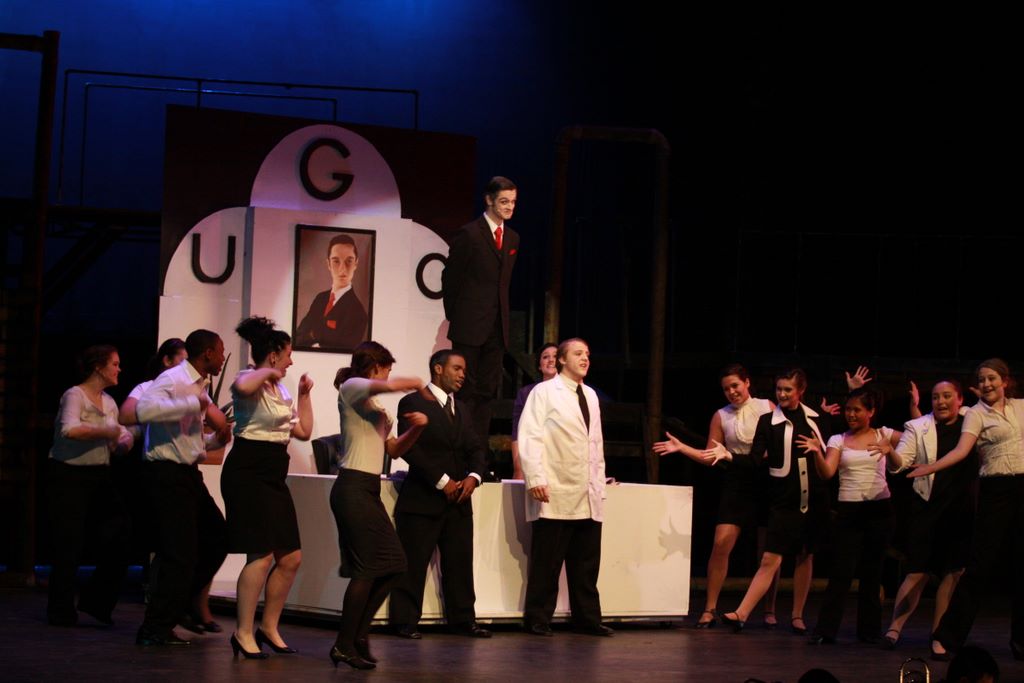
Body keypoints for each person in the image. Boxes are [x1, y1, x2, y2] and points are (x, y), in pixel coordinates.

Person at [910, 358, 1024, 662]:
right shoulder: (975, 414)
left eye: (992, 378)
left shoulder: (1021, 407)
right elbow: (961, 451)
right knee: (979, 567)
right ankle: (945, 637)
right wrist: (931, 467)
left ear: (1005, 381)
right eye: (982, 379)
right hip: (996, 490)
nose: (986, 384)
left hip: (1023, 488)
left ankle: (1021, 640)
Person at [653, 364, 779, 629]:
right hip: (737, 480)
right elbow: (709, 456)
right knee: (721, 542)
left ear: (747, 382)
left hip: (768, 478)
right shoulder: (721, 416)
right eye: (726, 389)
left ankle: (769, 608)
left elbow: (780, 444)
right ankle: (710, 608)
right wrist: (682, 447)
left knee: (768, 549)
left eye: (735, 385)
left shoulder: (766, 406)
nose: (731, 392)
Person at [329, 342, 428, 670]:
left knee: (395, 564)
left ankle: (357, 636)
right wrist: (415, 382)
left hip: (367, 489)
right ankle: (345, 643)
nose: (388, 375)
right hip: (352, 487)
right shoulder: (352, 387)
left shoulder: (374, 406)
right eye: (386, 369)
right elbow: (387, 385)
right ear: (376, 367)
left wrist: (418, 428)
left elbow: (394, 449)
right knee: (368, 568)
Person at [221, 317, 314, 658]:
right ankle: (243, 632)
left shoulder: (282, 391)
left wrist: (303, 395)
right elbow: (244, 388)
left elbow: (303, 432)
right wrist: (268, 372)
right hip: (248, 470)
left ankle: (269, 627)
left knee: (291, 557)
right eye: (287, 354)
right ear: (273, 355)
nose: (291, 361)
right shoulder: (248, 377)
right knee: (259, 555)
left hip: (274, 473)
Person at [133, 329, 232, 647]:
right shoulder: (174, 379)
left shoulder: (199, 385)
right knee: (179, 553)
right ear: (207, 353)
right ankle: (155, 627)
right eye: (220, 351)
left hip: (187, 473)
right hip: (166, 474)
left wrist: (215, 440)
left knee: (217, 538)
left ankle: (182, 605)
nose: (223, 357)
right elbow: (143, 411)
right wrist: (190, 403)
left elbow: (187, 437)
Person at [720, 368, 831, 635]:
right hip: (783, 500)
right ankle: (742, 613)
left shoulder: (817, 418)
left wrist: (817, 449)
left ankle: (797, 615)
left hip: (813, 498)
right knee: (770, 557)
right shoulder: (768, 421)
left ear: (800, 391)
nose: (782, 394)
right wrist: (729, 456)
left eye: (787, 389)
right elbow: (755, 459)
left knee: (804, 555)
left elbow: (829, 457)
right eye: (779, 389)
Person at [388, 350, 490, 638]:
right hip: (423, 498)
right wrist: (442, 481)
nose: (462, 375)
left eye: (464, 370)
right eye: (457, 368)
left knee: (460, 563)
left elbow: (476, 448)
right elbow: (411, 449)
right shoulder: (413, 402)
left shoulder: (463, 408)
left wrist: (473, 477)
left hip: (459, 500)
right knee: (413, 563)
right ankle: (404, 621)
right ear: (438, 369)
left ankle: (463, 620)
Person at [519, 338, 610, 637]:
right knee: (547, 562)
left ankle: (588, 618)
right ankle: (538, 618)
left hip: (587, 491)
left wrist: (599, 483)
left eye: (588, 354)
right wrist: (535, 478)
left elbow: (595, 443)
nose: (585, 359)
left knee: (586, 563)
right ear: (561, 359)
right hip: (555, 487)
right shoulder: (544, 392)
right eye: (578, 353)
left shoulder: (591, 395)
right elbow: (530, 435)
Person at [883, 380, 977, 649]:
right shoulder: (919, 426)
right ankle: (894, 628)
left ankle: (939, 634)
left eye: (947, 396)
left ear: (960, 399)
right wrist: (890, 453)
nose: (941, 401)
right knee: (917, 571)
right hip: (927, 507)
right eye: (936, 397)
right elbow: (900, 463)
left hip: (959, 509)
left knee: (952, 573)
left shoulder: (973, 421)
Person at [803, 388, 902, 644]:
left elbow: (910, 447)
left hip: (879, 510)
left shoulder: (883, 434)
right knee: (841, 572)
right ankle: (825, 631)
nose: (851, 414)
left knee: (872, 573)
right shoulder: (837, 439)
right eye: (848, 409)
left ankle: (869, 632)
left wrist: (890, 449)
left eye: (857, 410)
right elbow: (827, 473)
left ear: (871, 412)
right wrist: (816, 452)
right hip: (849, 512)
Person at [46, 345, 134, 627]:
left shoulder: (109, 402)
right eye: (115, 364)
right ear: (98, 367)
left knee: (122, 535)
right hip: (69, 475)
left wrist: (124, 440)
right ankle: (60, 610)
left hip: (99, 475)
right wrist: (108, 431)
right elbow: (69, 429)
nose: (119, 369)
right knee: (68, 543)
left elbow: (116, 440)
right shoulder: (75, 395)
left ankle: (97, 602)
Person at [441, 176, 520, 443]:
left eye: (513, 202)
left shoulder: (512, 238)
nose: (509, 207)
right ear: (489, 200)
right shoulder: (470, 234)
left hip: (497, 327)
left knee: (487, 392)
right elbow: (450, 278)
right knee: (465, 390)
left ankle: (478, 454)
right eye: (504, 201)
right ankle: (460, 448)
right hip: (469, 325)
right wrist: (457, 316)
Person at [294, 233, 369, 351]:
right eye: (336, 261)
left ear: (356, 264)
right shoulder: (320, 299)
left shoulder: (358, 313)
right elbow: (298, 337)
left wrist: (312, 334)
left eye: (349, 261)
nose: (342, 269)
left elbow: (341, 350)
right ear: (328, 264)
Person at [510, 343, 559, 480]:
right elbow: (517, 431)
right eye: (545, 357)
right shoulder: (526, 393)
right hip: (533, 455)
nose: (551, 360)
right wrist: (518, 468)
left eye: (555, 356)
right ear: (539, 366)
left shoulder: (571, 392)